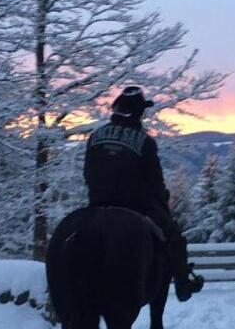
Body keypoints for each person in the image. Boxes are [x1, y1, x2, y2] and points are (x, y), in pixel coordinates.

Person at [83, 86, 204, 301]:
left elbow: (88, 173)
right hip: (136, 206)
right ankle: (183, 285)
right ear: (139, 112)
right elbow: (155, 183)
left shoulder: (94, 136)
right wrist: (163, 204)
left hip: (97, 204)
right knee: (174, 237)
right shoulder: (144, 141)